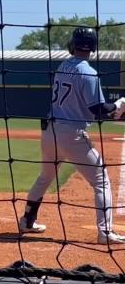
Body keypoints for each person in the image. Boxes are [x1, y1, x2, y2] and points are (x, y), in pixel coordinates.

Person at [19, 27, 125, 244]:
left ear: (74, 44)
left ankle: (27, 221)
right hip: (71, 135)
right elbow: (97, 109)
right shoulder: (89, 73)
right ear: (93, 47)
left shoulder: (62, 66)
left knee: (45, 177)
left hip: (50, 132)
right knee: (101, 181)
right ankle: (105, 233)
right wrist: (119, 104)